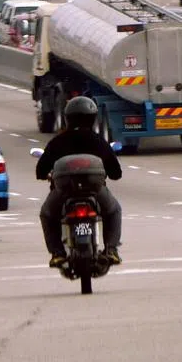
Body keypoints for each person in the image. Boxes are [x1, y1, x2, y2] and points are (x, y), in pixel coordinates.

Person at [36, 96, 123, 268]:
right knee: (114, 211)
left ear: (68, 117)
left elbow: (40, 171)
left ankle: (57, 253)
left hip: (63, 191)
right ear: (93, 118)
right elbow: (116, 173)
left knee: (47, 214)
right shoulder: (99, 141)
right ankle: (111, 250)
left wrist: (47, 175)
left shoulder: (58, 141)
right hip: (95, 191)